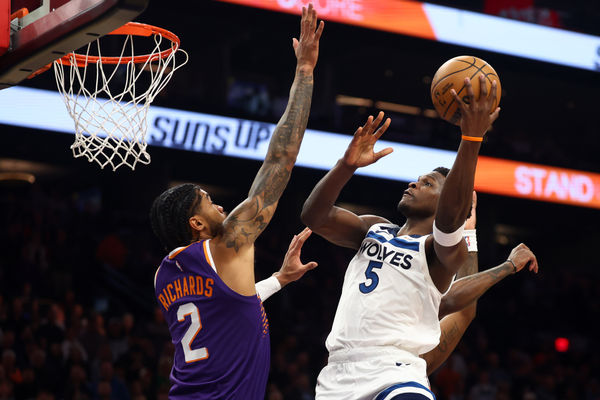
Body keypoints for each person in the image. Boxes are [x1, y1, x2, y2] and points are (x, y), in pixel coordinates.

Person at [301, 76, 538, 399]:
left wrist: (471, 139)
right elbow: (314, 216)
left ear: (448, 200)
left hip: (395, 373)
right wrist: (346, 166)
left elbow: (457, 286)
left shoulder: (437, 253)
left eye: (427, 183)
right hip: (336, 377)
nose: (413, 184)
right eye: (416, 180)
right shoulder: (374, 228)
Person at [149, 5, 324, 399]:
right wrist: (305, 73)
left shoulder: (165, 275)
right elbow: (281, 158)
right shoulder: (228, 244)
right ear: (196, 223)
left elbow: (228, 310)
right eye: (209, 203)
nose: (221, 208)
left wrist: (279, 279)